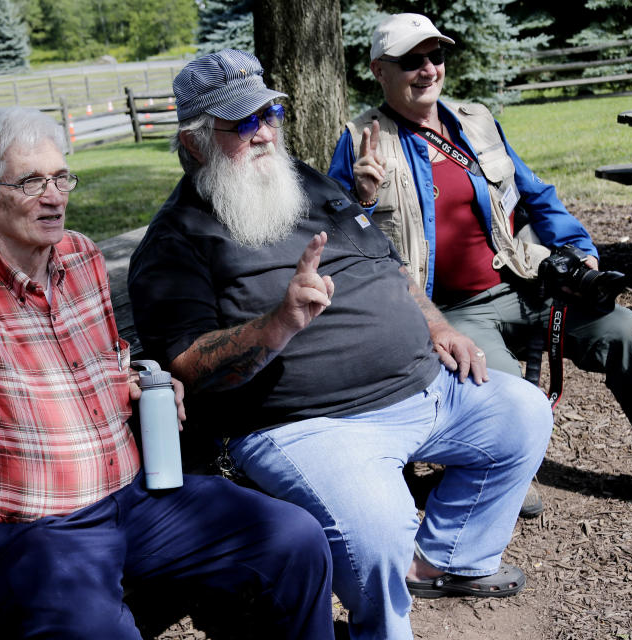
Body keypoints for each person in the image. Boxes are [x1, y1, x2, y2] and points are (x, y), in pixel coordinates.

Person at [0, 103, 336, 639]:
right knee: (97, 629)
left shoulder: (79, 256)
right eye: (30, 183)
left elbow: (100, 363)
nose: (53, 197)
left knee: (294, 537)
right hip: (34, 537)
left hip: (136, 501)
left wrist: (143, 380)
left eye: (61, 178)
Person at [128, 48, 554, 640]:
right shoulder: (176, 241)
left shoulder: (304, 180)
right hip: (308, 424)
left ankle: (444, 563)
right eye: (242, 122)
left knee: (523, 413)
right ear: (194, 141)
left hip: (421, 385)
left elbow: (389, 265)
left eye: (269, 115)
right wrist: (279, 321)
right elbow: (188, 365)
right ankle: (382, 626)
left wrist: (437, 326)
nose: (264, 133)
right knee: (379, 534)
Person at [328, 12, 632, 521]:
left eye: (436, 56)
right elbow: (343, 246)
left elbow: (537, 195)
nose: (428, 70)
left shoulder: (475, 121)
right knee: (505, 399)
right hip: (449, 311)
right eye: (411, 61)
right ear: (378, 71)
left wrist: (578, 251)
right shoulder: (361, 139)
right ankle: (499, 468)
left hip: (524, 281)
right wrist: (361, 199)